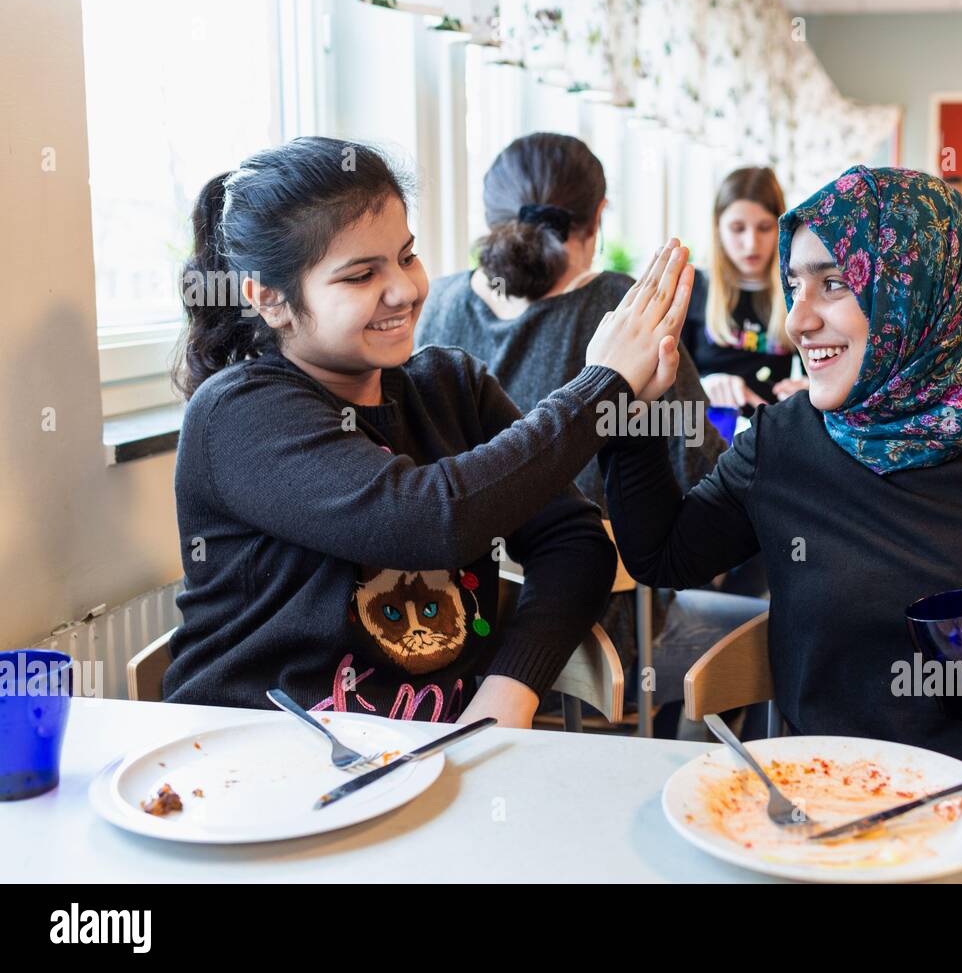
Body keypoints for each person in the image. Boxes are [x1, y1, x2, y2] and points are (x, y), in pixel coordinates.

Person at [600, 166, 962, 773]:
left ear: (920, 284)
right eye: (794, 287)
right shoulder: (785, 441)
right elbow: (662, 555)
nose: (797, 321)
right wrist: (627, 407)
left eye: (833, 284)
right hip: (839, 802)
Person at [164, 136, 691, 729]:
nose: (407, 290)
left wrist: (509, 690)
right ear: (273, 300)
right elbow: (428, 520)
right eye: (362, 275)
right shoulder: (238, 413)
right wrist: (600, 389)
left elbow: (574, 540)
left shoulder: (451, 386)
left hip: (431, 757)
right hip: (250, 755)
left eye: (407, 256)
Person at [414, 133, 767, 737]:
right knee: (771, 628)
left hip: (456, 633)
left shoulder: (437, 304)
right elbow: (703, 484)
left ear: (492, 219)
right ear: (598, 218)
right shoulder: (622, 313)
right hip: (605, 639)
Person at [682, 167, 806, 410]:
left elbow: (820, 377)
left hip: (768, 434)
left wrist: (808, 390)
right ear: (718, 228)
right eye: (738, 229)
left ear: (781, 227)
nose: (751, 244)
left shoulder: (798, 290)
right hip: (703, 432)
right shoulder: (691, 286)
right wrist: (703, 386)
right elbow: (666, 386)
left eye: (764, 228)